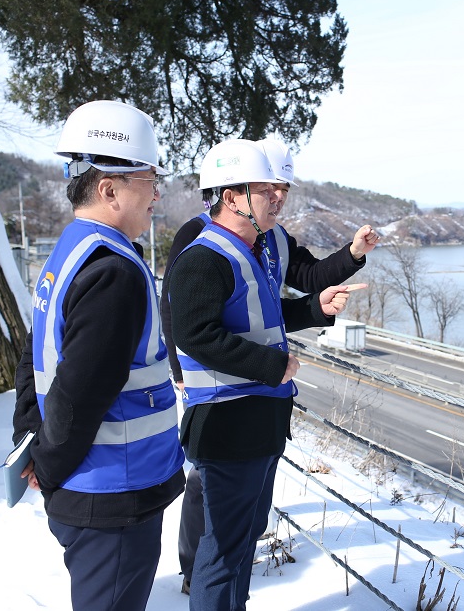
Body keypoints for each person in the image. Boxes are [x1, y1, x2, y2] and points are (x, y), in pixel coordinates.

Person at [161, 138, 379, 594]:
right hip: (226, 415)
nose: (278, 197)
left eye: (282, 188)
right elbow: (191, 330)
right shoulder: (206, 251)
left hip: (260, 414)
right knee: (219, 549)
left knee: (240, 541)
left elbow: (267, 314)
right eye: (267, 188)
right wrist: (270, 365)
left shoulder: (259, 244)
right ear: (232, 196)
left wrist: (317, 308)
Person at [11, 100, 186, 611]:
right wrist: (48, 463)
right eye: (150, 180)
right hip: (111, 495)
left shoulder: (72, 249)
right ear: (109, 188)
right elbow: (80, 391)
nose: (158, 194)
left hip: (90, 486)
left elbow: (35, 352)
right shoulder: (114, 272)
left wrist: (30, 438)